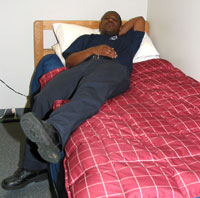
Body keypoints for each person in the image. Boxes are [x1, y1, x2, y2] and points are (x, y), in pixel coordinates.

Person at [1, 11, 145, 190]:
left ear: (120, 25)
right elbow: (70, 62)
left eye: (114, 19)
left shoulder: (126, 41)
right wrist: (93, 50)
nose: (110, 20)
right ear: (99, 25)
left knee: (90, 91)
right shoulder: (87, 38)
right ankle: (32, 168)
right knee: (43, 97)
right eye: (106, 18)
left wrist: (123, 30)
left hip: (113, 68)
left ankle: (54, 131)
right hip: (82, 67)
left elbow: (139, 21)